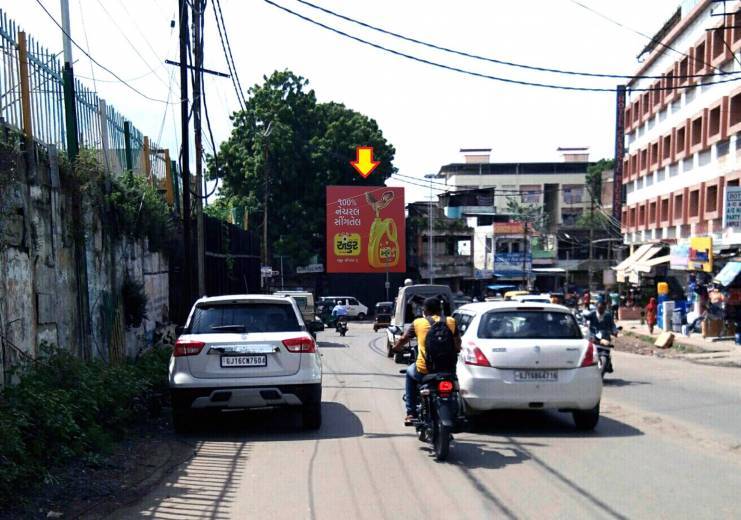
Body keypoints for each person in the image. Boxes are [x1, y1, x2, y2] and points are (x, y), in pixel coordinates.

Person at [392, 298, 460, 425]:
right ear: (441, 310)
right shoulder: (451, 321)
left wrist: (396, 348)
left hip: (424, 370)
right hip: (447, 369)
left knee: (409, 374)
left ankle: (411, 412)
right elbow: (457, 346)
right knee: (454, 387)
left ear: (425, 310)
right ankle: (457, 412)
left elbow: (403, 339)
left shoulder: (418, 323)